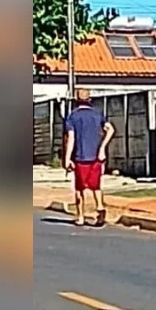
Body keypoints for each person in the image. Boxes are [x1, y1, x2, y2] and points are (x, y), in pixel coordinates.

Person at [63, 89, 115, 226]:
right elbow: (110, 129)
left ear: (76, 100)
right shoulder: (97, 114)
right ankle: (100, 208)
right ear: (90, 100)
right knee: (96, 186)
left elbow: (71, 138)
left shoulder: (72, 117)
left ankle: (80, 216)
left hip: (80, 157)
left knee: (79, 188)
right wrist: (103, 147)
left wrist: (67, 158)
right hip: (96, 156)